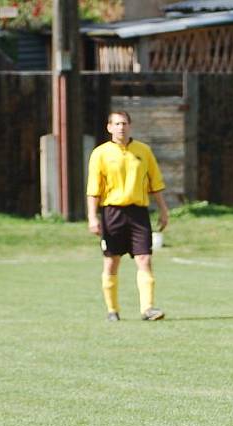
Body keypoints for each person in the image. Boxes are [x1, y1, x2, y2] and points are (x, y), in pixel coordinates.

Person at [86, 111, 168, 321]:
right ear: (109, 127)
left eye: (124, 123)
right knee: (111, 262)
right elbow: (94, 189)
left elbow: (155, 183)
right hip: (111, 212)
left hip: (138, 212)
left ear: (130, 126)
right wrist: (92, 217)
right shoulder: (100, 153)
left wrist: (163, 210)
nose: (121, 127)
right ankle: (112, 310)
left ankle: (147, 309)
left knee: (144, 258)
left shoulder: (143, 151)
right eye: (117, 123)